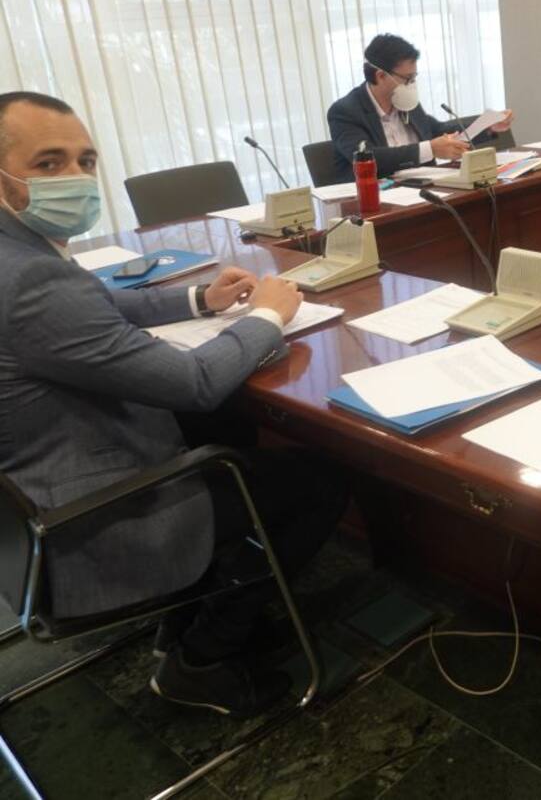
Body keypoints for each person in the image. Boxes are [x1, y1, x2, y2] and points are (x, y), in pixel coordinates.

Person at [0, 91, 345, 718]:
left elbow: (91, 303)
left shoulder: (18, 254)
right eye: (48, 163)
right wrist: (269, 315)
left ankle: (188, 610)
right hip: (87, 520)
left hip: (24, 503)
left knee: (228, 424)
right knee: (318, 480)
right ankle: (202, 660)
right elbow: (194, 381)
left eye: (85, 160)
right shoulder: (27, 279)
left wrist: (199, 301)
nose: (75, 177)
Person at [327, 33, 513, 183]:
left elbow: (439, 131)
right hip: (379, 200)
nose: (412, 85)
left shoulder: (405, 102)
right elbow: (369, 157)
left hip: (423, 191)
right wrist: (430, 149)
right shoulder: (345, 112)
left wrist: (487, 125)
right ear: (381, 76)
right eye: (408, 79)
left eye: (414, 77)